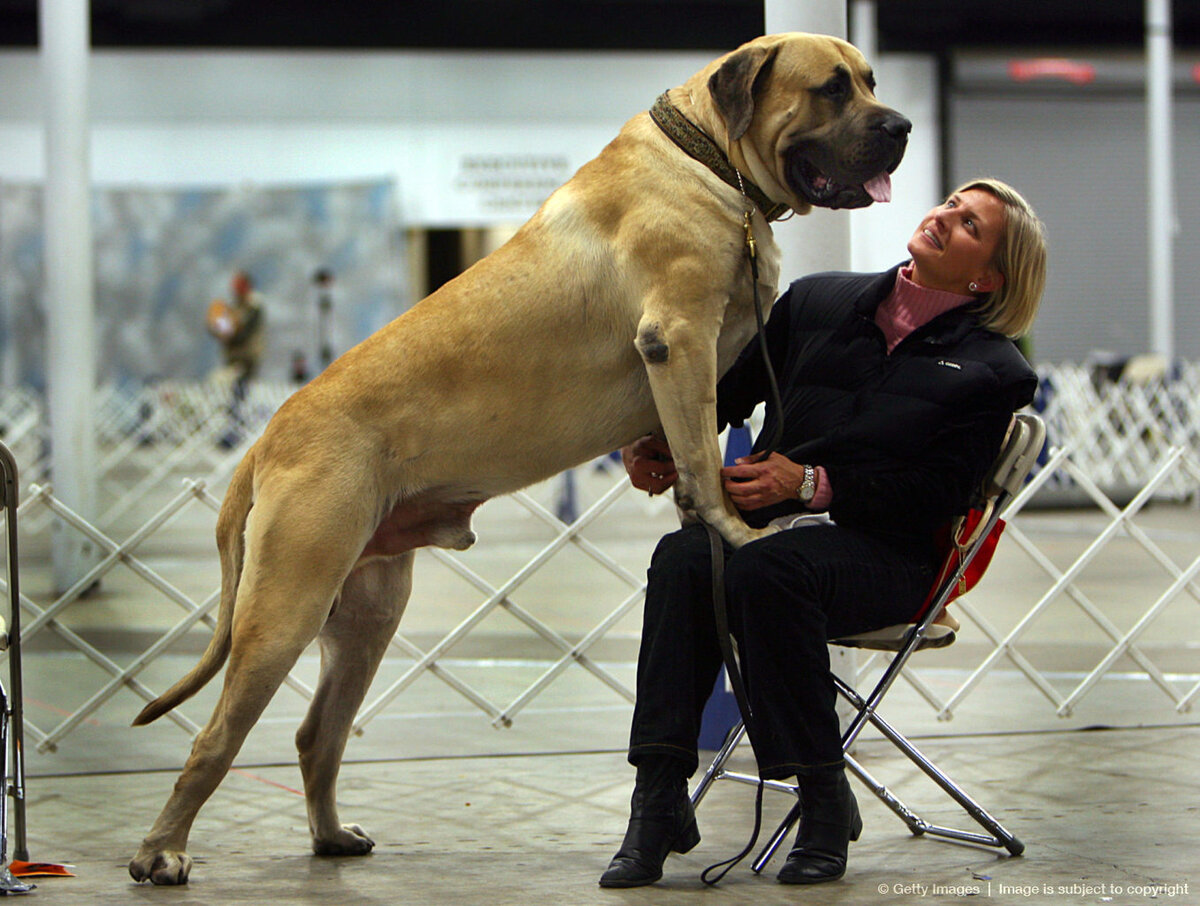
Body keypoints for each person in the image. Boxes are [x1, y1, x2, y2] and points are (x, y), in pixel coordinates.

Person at [600, 178, 1047, 889]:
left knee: (766, 572)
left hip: (891, 554)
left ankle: (821, 795)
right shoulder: (817, 301)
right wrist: (658, 438)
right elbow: (727, 388)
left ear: (987, 275)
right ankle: (656, 800)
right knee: (685, 557)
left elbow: (938, 499)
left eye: (969, 226)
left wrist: (810, 485)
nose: (944, 218)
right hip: (779, 540)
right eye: (950, 206)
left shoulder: (996, 372)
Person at [208, 270, 265, 447]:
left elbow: (243, 330)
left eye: (237, 284)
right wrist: (216, 327)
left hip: (247, 356)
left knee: (239, 394)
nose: (233, 288)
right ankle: (231, 430)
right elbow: (225, 329)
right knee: (230, 394)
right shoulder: (234, 306)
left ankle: (237, 432)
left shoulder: (253, 305)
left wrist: (227, 332)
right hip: (232, 356)